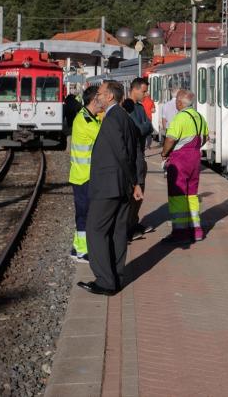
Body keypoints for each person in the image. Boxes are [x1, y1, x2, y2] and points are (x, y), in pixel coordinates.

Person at [78, 80, 143, 296]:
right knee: (117, 232)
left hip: (109, 186)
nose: (97, 96)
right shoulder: (125, 117)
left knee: (95, 230)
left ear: (110, 97)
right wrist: (134, 182)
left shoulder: (113, 118)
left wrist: (134, 182)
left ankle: (105, 281)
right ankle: (115, 277)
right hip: (121, 186)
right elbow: (135, 151)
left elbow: (123, 154)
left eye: (100, 92)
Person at [161, 90, 208, 243]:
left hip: (180, 159)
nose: (175, 104)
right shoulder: (200, 117)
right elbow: (205, 138)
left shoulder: (179, 118)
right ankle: (196, 230)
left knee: (178, 194)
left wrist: (164, 153)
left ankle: (180, 233)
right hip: (195, 158)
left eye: (176, 102)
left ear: (181, 103)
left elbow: (170, 139)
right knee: (192, 194)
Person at [68, 85, 102, 263]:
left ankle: (77, 248)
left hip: (83, 174)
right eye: (100, 98)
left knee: (83, 212)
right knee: (84, 214)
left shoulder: (90, 118)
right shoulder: (86, 121)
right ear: (93, 100)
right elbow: (103, 137)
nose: (102, 101)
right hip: (83, 176)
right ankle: (82, 251)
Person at [124, 78, 153, 239]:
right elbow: (138, 129)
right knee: (134, 191)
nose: (145, 94)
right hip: (133, 156)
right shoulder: (127, 107)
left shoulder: (140, 108)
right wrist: (144, 126)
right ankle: (128, 227)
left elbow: (149, 127)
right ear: (134, 90)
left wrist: (144, 126)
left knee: (141, 190)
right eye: (143, 91)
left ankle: (133, 223)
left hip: (140, 155)